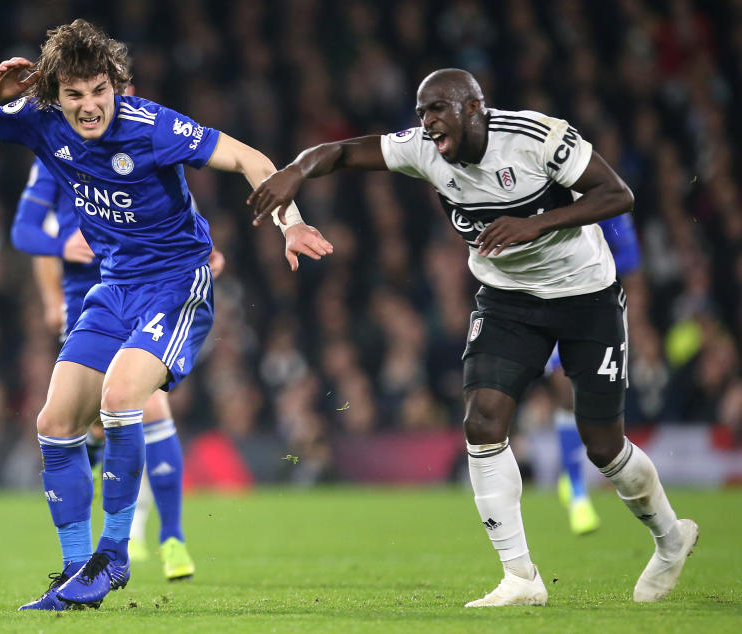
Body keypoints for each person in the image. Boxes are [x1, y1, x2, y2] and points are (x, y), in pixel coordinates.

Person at [249, 68, 698, 607]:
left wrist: (537, 223)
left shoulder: (536, 138)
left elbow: (617, 194)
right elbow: (345, 151)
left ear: (474, 108)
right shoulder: (424, 150)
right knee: (482, 420)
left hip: (586, 296)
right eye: (421, 112)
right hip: (508, 299)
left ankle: (670, 539)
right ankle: (521, 578)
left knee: (602, 445)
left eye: (438, 109)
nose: (427, 122)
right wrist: (298, 171)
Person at [0, 19, 332, 611]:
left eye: (98, 90)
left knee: (121, 398)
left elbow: (252, 159)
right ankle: (77, 569)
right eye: (74, 94)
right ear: (56, 97)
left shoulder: (152, 125)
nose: (89, 105)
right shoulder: (41, 120)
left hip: (176, 285)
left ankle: (115, 555)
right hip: (113, 287)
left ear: (114, 84)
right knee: (53, 423)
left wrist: (291, 221)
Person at [11, 156, 226, 582]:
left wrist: (206, 253)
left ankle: (169, 539)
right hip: (89, 306)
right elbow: (31, 232)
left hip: (147, 296)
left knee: (149, 408)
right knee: (80, 424)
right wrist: (52, 292)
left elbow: (182, 216)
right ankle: (98, 529)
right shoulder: (55, 154)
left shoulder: (143, 151)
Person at [546, 212, 642, 536]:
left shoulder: (605, 198)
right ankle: (576, 491)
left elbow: (629, 257)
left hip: (599, 305)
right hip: (548, 300)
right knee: (564, 389)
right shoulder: (536, 188)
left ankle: (572, 472)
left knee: (594, 400)